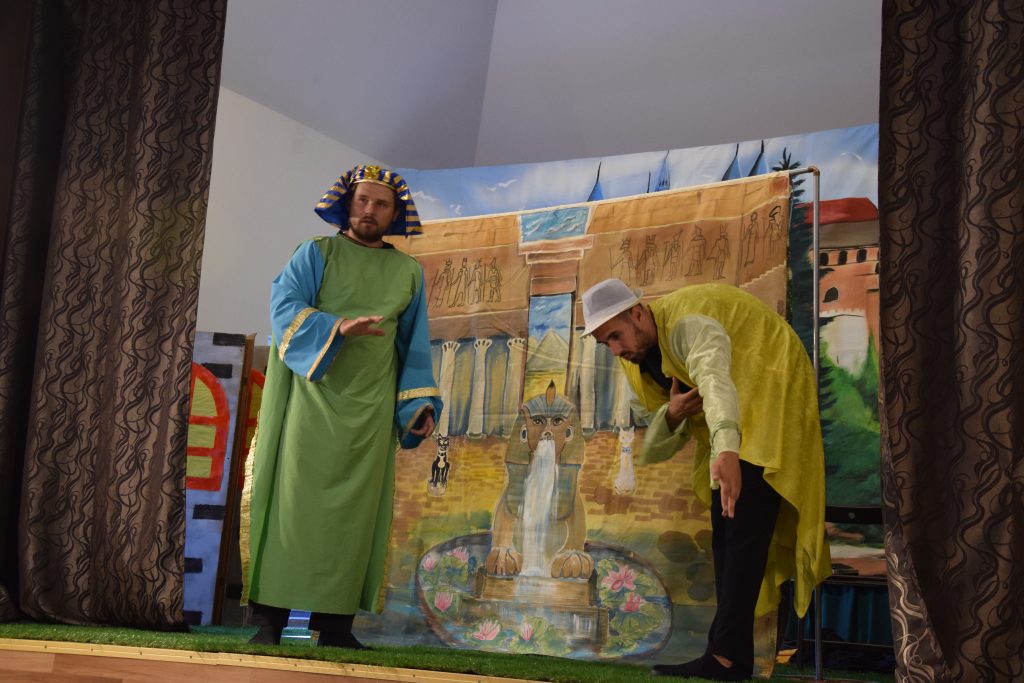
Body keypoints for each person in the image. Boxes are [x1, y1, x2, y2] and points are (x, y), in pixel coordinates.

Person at [581, 278, 830, 681]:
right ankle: (727, 656)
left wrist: (728, 450)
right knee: (726, 531)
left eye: (615, 335)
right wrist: (674, 413)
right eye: (604, 343)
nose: (614, 350)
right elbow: (655, 424)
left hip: (770, 386)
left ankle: (726, 659)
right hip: (732, 413)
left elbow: (714, 379)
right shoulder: (636, 360)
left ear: (638, 313)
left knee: (744, 527)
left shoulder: (686, 324)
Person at [240, 164, 443, 648]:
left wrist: (418, 405)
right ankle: (270, 621)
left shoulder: (407, 272)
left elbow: (414, 347)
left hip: (369, 413)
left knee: (353, 517)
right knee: (292, 507)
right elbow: (284, 309)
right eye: (363, 200)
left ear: (395, 214)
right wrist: (336, 328)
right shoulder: (315, 254)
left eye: (381, 204)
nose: (370, 210)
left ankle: (334, 627)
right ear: (347, 203)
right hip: (308, 405)